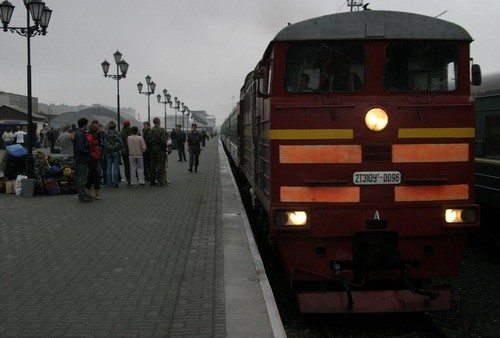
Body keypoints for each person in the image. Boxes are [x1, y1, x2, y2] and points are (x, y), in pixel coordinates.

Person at [74, 118, 93, 203]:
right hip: (82, 159)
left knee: (82, 177)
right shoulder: (81, 134)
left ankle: (83, 195)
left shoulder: (79, 133)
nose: (88, 125)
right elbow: (80, 147)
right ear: (84, 125)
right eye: (87, 124)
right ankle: (82, 195)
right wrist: (88, 151)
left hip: (81, 158)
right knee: (82, 178)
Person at [148, 117, 167, 186]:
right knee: (160, 165)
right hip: (160, 149)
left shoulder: (150, 131)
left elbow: (148, 141)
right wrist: (165, 149)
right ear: (159, 122)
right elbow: (163, 141)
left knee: (152, 165)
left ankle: (152, 181)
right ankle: (160, 180)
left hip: (153, 149)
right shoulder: (162, 130)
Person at [85, 122, 101, 200]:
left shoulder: (90, 136)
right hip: (92, 157)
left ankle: (87, 191)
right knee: (95, 175)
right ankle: (96, 193)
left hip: (93, 157)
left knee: (91, 175)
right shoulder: (91, 137)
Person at [104, 121, 123, 187]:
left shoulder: (106, 133)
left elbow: (105, 143)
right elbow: (121, 142)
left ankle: (109, 183)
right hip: (115, 151)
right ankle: (116, 183)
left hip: (108, 152)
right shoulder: (117, 133)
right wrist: (117, 147)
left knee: (108, 168)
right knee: (115, 167)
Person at [120, 120, 132, 185]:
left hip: (124, 151)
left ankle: (128, 178)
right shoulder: (132, 131)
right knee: (132, 165)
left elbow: (121, 142)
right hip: (131, 150)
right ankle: (133, 178)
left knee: (126, 165)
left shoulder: (121, 132)